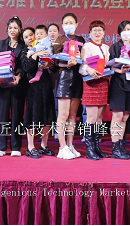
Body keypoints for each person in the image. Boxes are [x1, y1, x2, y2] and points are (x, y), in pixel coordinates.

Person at [51, 13, 85, 160]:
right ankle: (62, 147)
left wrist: (80, 57)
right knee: (63, 115)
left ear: (76, 24)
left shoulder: (81, 40)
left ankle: (70, 145)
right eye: (66, 23)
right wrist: (67, 63)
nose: (69, 25)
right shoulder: (59, 40)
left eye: (71, 22)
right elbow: (54, 63)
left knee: (72, 116)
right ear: (62, 25)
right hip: (64, 78)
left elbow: (84, 59)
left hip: (77, 78)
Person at [0, 19, 28, 157]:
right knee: (1, 116)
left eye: (15, 28)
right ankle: (0, 146)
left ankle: (16, 146)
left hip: (17, 84)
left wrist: (19, 76)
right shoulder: (1, 44)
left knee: (17, 116)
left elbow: (23, 65)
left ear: (20, 30)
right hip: (2, 84)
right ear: (7, 29)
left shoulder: (23, 45)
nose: (12, 30)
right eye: (10, 28)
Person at [106, 20, 130, 159]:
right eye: (124, 29)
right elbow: (109, 66)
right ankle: (115, 147)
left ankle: (121, 145)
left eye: (129, 29)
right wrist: (118, 69)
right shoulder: (115, 47)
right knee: (117, 116)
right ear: (119, 32)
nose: (126, 32)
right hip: (118, 83)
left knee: (125, 117)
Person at [79, 20, 112, 160]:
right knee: (91, 118)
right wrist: (89, 69)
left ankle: (97, 147)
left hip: (103, 83)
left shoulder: (106, 48)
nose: (97, 33)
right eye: (94, 30)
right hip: (91, 83)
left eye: (100, 30)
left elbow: (108, 65)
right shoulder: (86, 46)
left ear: (104, 33)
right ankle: (89, 149)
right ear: (90, 33)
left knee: (99, 118)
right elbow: (81, 66)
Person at [23, 25, 56, 158]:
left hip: (46, 84)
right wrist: (36, 54)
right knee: (32, 115)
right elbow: (27, 67)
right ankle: (30, 146)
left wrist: (50, 64)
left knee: (47, 114)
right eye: (26, 37)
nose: (30, 38)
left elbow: (54, 67)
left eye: (32, 35)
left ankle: (44, 145)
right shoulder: (26, 51)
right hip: (33, 86)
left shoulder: (47, 46)